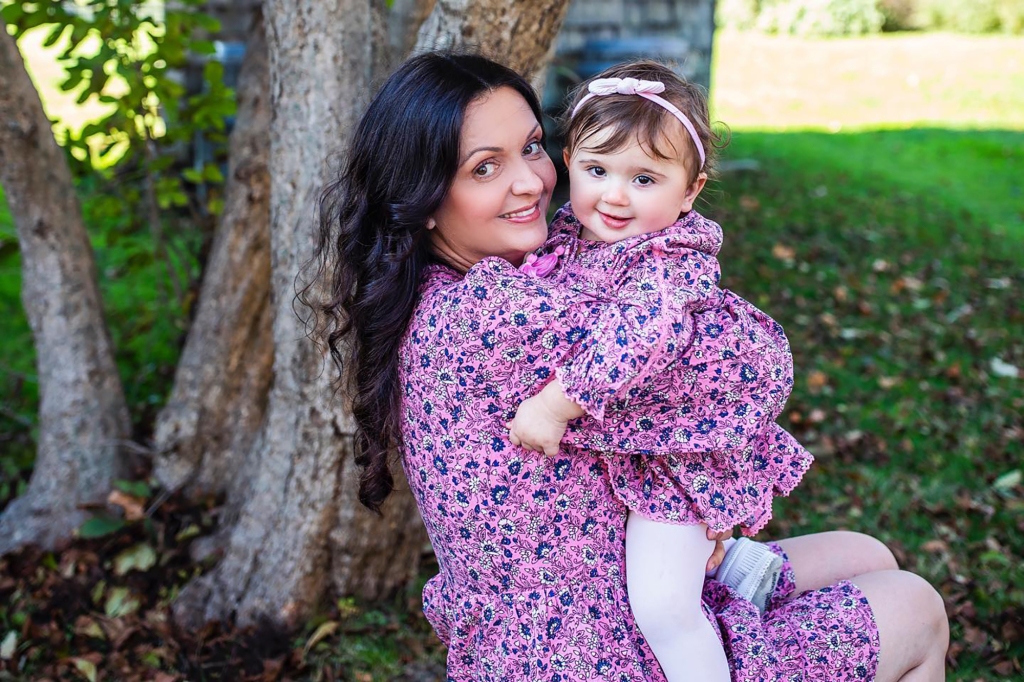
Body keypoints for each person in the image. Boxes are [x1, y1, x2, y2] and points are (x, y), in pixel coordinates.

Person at [307, 50, 948, 681]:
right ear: (420, 196)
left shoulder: (471, 285)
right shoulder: (492, 314)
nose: (530, 182)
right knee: (917, 605)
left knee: (867, 553)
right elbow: (753, 365)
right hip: (603, 646)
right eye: (484, 168)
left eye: (531, 147)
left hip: (593, 595)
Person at [506, 60, 811, 681]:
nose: (614, 195)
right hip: (638, 448)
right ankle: (731, 567)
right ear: (569, 163)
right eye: (596, 170)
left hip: (677, 465)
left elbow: (640, 339)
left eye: (645, 177)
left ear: (690, 189)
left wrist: (553, 404)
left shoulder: (670, 263)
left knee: (662, 608)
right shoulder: (572, 234)